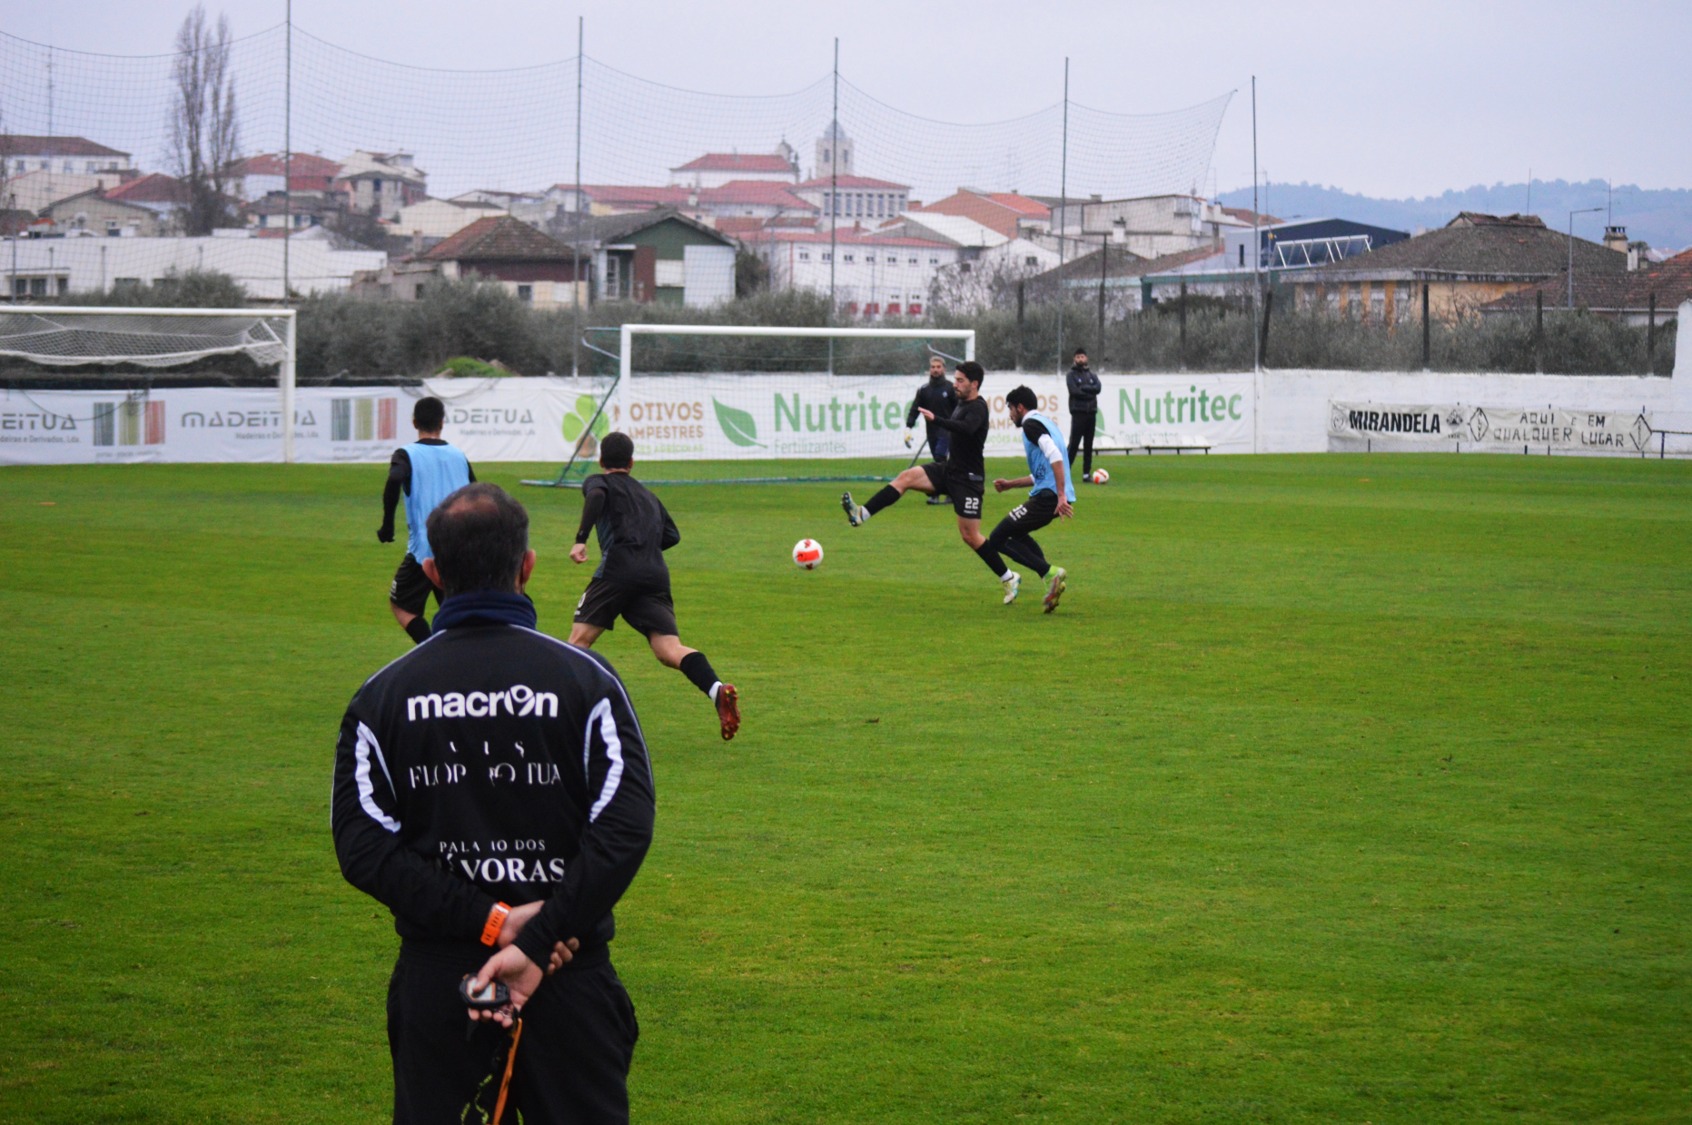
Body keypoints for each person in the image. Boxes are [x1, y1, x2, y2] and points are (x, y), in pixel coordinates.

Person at [333, 482, 655, 1125]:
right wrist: (535, 936)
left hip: (444, 980)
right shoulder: (588, 678)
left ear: (431, 573)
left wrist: (491, 922)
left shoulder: (382, 694)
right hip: (567, 971)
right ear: (527, 564)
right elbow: (623, 830)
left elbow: (364, 848)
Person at [568, 431, 741, 741]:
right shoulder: (649, 496)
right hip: (655, 574)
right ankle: (716, 689)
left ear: (601, 460)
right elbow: (672, 536)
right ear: (632, 463)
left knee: (578, 643)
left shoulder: (599, 481)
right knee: (668, 649)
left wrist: (581, 540)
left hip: (618, 568)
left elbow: (595, 498)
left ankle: (565, 718)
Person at [841, 360, 1023, 605]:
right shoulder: (960, 402)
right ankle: (862, 513)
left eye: (960, 380)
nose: (955, 384)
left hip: (968, 480)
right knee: (905, 477)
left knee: (970, 536)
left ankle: (1009, 577)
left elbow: (966, 429)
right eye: (955, 379)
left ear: (975, 384)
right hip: (949, 470)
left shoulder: (978, 407)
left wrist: (936, 419)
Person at [379, 396, 475, 645]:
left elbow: (394, 479)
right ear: (442, 423)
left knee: (402, 605)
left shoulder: (407, 454)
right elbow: (478, 494)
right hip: (461, 549)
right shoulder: (459, 456)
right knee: (458, 612)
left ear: (414, 423)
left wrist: (388, 524)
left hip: (426, 550)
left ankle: (432, 649)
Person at [991, 385, 1075, 613]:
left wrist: (1060, 496)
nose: (1009, 415)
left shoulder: (1030, 425)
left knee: (997, 538)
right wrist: (1010, 484)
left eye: (1010, 409)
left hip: (1048, 498)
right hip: (1049, 494)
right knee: (1016, 533)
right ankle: (1049, 579)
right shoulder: (1047, 424)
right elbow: (1043, 471)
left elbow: (1055, 456)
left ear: (1020, 407)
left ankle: (1050, 573)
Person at [903, 355, 958, 505]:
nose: (935, 370)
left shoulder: (951, 388)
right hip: (932, 432)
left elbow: (959, 408)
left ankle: (935, 493)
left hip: (947, 431)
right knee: (939, 461)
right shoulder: (924, 390)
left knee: (940, 458)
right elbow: (915, 409)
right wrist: (908, 427)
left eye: (938, 367)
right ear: (929, 369)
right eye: (933, 367)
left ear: (944, 369)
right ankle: (949, 492)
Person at [1065, 348, 1102, 480]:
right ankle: (1064, 472)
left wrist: (1085, 390)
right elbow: (1074, 391)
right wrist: (1089, 393)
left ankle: (1086, 474)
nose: (1080, 359)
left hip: (1091, 412)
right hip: (1078, 413)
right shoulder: (1071, 375)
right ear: (1074, 359)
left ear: (1086, 358)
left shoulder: (1092, 375)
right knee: (1074, 444)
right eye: (1078, 357)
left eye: (1082, 357)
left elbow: (1098, 388)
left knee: (1088, 444)